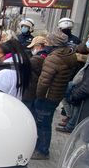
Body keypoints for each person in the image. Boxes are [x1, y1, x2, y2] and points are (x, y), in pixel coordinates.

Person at [32, 30, 78, 160]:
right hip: (57, 94)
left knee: (43, 123)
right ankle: (42, 147)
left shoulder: (53, 59)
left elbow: (44, 81)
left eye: (48, 41)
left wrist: (39, 96)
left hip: (47, 96)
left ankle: (42, 150)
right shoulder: (70, 55)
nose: (46, 43)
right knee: (47, 122)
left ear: (54, 43)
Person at [22, 35, 48, 112]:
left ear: (39, 46)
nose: (32, 49)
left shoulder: (36, 59)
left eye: (33, 47)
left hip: (30, 90)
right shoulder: (46, 56)